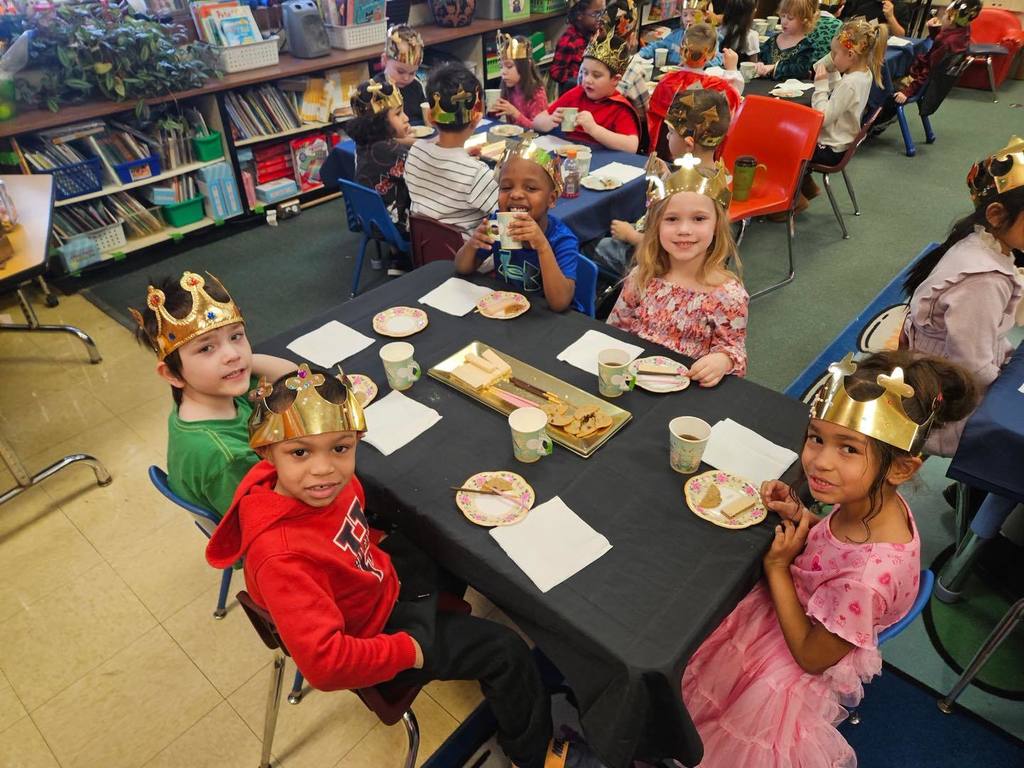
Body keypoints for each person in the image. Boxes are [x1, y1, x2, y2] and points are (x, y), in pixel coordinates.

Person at [204, 365, 603, 768]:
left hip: (375, 584)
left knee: (444, 534)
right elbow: (325, 665)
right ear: (267, 453)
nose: (324, 469)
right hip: (375, 635)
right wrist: (407, 652)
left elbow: (346, 533)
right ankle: (534, 756)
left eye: (340, 448)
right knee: (507, 651)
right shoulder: (281, 558)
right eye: (300, 452)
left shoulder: (324, 487)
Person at [681, 350, 978, 767]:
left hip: (798, 652)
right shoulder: (870, 504)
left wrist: (778, 568)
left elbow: (811, 655)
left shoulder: (867, 576)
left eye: (849, 449)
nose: (820, 460)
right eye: (816, 437)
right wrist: (799, 514)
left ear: (901, 469)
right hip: (819, 606)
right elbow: (831, 549)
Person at [129, 271, 294, 517]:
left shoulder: (208, 391)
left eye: (236, 336)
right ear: (173, 375)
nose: (231, 354)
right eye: (206, 347)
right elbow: (273, 519)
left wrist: (246, 361)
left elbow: (294, 379)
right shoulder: (228, 458)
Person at [901, 136, 1024, 457]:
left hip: (945, 374)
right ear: (996, 215)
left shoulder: (980, 241)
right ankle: (977, 490)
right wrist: (1009, 388)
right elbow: (972, 365)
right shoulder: (983, 282)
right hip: (948, 399)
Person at [608, 156, 748, 386]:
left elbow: (735, 351)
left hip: (688, 392)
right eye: (672, 219)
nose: (684, 230)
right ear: (656, 226)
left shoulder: (728, 296)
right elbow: (616, 329)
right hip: (631, 383)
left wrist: (723, 361)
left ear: (716, 226)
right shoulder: (641, 277)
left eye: (699, 218)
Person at [596, 89, 732, 278]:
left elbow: (673, 243)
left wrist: (630, 236)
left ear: (689, 144)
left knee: (598, 246)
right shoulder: (713, 175)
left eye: (670, 132)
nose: (667, 137)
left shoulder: (689, 194)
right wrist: (667, 177)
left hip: (665, 262)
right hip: (688, 253)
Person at [456, 141, 580, 312]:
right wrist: (473, 243)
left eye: (530, 188)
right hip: (506, 309)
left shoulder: (562, 239)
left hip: (545, 319)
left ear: (551, 199)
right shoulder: (498, 224)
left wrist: (542, 246)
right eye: (506, 187)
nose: (515, 194)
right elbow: (462, 268)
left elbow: (560, 303)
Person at [797, 19, 888, 211]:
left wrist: (820, 87)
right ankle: (807, 187)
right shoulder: (863, 74)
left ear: (850, 54)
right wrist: (831, 73)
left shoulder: (850, 83)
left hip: (831, 149)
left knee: (786, 144)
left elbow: (822, 118)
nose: (831, 57)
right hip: (843, 143)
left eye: (834, 53)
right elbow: (842, 98)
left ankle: (795, 201)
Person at [404, 63, 499, 234]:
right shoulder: (477, 174)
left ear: (431, 117)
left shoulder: (416, 151)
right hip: (467, 256)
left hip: (423, 247)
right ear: (477, 118)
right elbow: (504, 209)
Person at [534, 15, 642, 152]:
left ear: (615, 80)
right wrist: (550, 121)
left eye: (596, 75)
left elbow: (632, 146)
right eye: (584, 73)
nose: (587, 80)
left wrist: (594, 129)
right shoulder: (577, 94)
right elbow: (537, 121)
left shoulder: (619, 107)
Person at [873, 0, 981, 130]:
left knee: (880, 84)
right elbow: (938, 48)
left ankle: (877, 121)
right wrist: (934, 30)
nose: (942, 17)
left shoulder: (947, 44)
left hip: (919, 81)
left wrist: (907, 92)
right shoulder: (961, 32)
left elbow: (928, 71)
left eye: (945, 15)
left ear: (952, 19)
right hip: (928, 80)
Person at [348, 79, 412, 277]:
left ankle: (397, 256)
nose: (406, 118)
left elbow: (394, 144)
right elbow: (426, 161)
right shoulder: (392, 151)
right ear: (378, 122)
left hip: (371, 220)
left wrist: (409, 140)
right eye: (398, 113)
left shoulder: (365, 143)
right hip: (397, 225)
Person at [638, 0, 723, 67]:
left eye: (693, 15)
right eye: (685, 15)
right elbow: (656, 46)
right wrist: (638, 56)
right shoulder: (676, 34)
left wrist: (694, 62)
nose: (688, 19)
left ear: (705, 16)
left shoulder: (710, 37)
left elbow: (718, 58)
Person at [492, 31, 549, 129]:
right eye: (501, 67)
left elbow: (539, 129)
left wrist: (515, 113)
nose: (503, 72)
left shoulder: (537, 92)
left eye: (509, 66)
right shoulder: (507, 87)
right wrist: (493, 110)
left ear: (526, 65)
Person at [551, 0, 607, 93]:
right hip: (577, 92)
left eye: (602, 13)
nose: (601, 18)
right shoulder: (569, 41)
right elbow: (556, 72)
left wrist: (603, 40)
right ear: (579, 15)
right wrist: (583, 75)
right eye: (595, 14)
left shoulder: (595, 33)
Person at [754, 0, 817, 80]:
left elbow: (801, 70)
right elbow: (761, 56)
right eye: (783, 16)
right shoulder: (773, 39)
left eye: (790, 18)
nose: (784, 21)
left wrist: (774, 67)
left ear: (804, 20)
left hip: (791, 89)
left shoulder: (807, 46)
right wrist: (760, 64)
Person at [378, 24, 426, 125]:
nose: (406, 78)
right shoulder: (377, 90)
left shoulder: (416, 86)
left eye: (412, 73)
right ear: (385, 60)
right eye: (400, 71)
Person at [837, 0, 910, 36]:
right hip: (856, 40)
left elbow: (901, 36)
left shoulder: (901, 7)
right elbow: (841, 21)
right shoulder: (859, 2)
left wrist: (890, 17)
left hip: (882, 47)